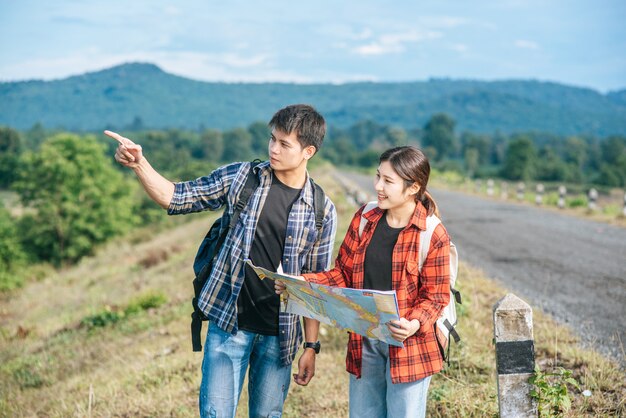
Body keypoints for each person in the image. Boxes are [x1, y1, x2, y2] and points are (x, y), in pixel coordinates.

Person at [105, 104, 337, 418]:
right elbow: (177, 196)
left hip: (280, 335)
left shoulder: (322, 209)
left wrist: (311, 347)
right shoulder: (243, 177)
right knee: (215, 414)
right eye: (272, 139)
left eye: (285, 144)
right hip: (229, 325)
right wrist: (140, 164)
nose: (273, 148)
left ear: (308, 151)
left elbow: (315, 284)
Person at [276, 145, 450, 418]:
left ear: (413, 187)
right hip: (365, 338)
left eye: (388, 181)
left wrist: (413, 323)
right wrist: (302, 282)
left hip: (409, 346)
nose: (378, 186)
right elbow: (343, 274)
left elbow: (436, 297)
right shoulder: (364, 219)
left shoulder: (432, 233)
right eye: (378, 176)